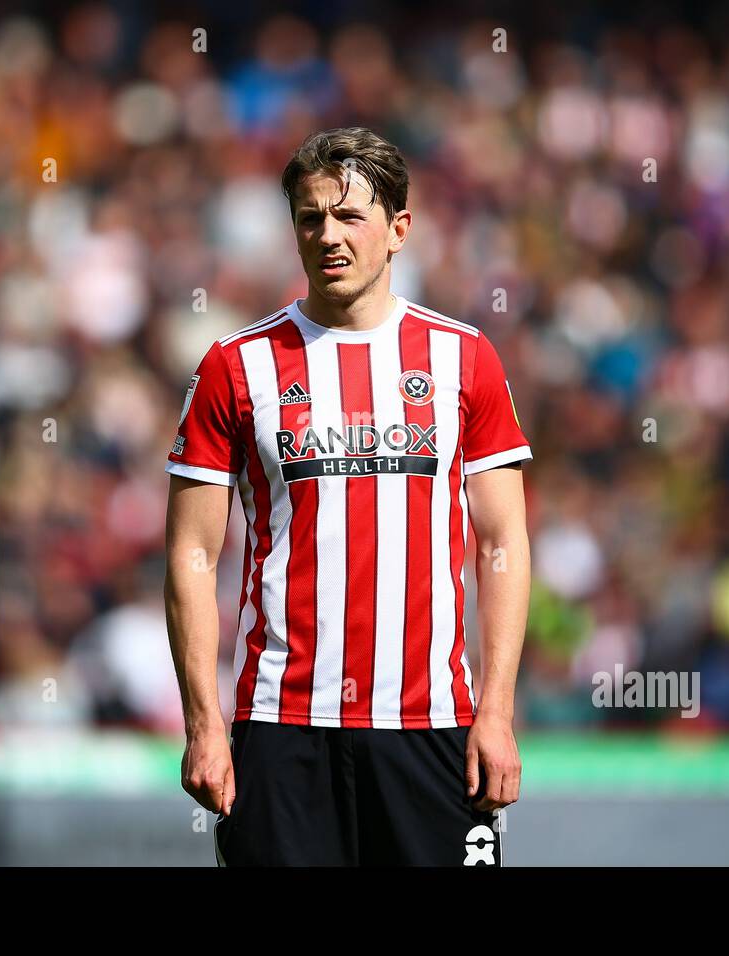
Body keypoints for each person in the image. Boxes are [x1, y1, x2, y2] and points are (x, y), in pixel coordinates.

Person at [164, 127, 532, 866]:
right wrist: (205, 725)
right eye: (310, 218)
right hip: (282, 728)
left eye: (349, 215)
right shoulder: (234, 368)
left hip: (431, 728)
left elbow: (502, 543)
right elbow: (193, 554)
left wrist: (495, 711)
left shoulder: (466, 359)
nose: (328, 235)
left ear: (398, 229)